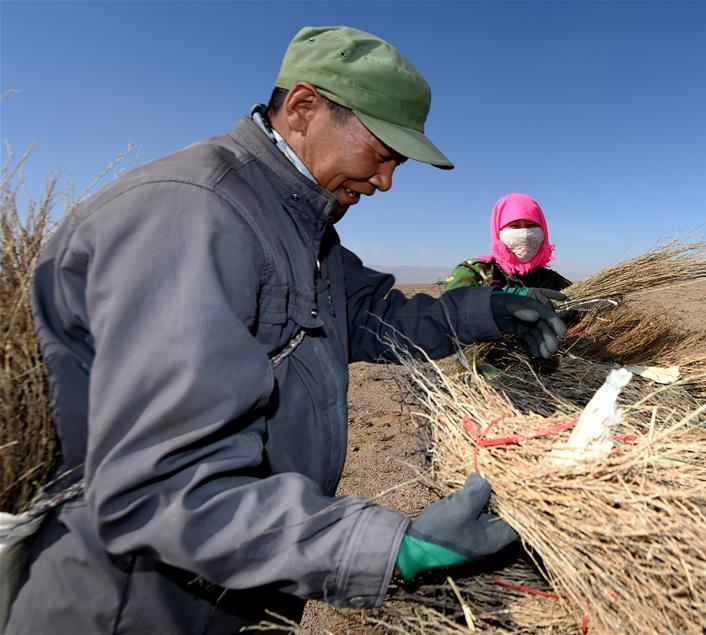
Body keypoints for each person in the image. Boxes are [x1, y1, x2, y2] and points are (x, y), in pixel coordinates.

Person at [7, 26, 566, 634]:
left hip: (233, 586)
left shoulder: (303, 228)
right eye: (381, 154)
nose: (384, 182)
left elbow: (375, 316)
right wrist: (390, 548)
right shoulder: (194, 215)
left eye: (396, 164)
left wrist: (488, 312)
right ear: (303, 108)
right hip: (130, 606)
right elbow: (164, 489)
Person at [443, 192, 572, 301]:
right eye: (514, 226)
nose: (525, 234)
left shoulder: (551, 280)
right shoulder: (475, 272)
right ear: (497, 232)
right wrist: (514, 296)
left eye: (531, 226)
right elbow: (452, 307)